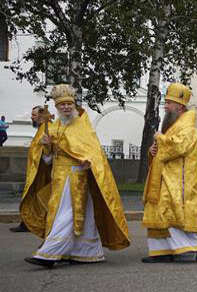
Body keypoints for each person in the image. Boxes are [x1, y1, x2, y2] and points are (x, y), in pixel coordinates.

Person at [25, 84, 129, 268]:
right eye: (62, 105)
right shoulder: (53, 126)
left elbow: (93, 152)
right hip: (59, 178)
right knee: (79, 216)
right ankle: (86, 252)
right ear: (56, 108)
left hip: (77, 178)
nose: (66, 107)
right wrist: (47, 147)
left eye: (69, 104)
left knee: (66, 215)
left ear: (74, 105)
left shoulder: (82, 126)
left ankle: (49, 253)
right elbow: (48, 160)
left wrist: (88, 161)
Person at [141, 83, 197, 263]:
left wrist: (159, 137)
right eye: (166, 102)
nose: (165, 106)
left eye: (168, 103)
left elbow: (178, 146)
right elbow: (163, 148)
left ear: (180, 106)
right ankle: (163, 251)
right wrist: (152, 150)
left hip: (177, 178)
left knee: (170, 214)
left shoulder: (187, 126)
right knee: (159, 212)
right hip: (164, 175)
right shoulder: (173, 123)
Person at [14, 106, 54, 234]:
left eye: (34, 115)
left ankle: (37, 223)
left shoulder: (48, 129)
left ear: (42, 116)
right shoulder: (40, 129)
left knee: (40, 200)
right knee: (32, 199)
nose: (32, 117)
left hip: (43, 174)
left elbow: (49, 151)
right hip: (36, 172)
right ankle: (27, 222)